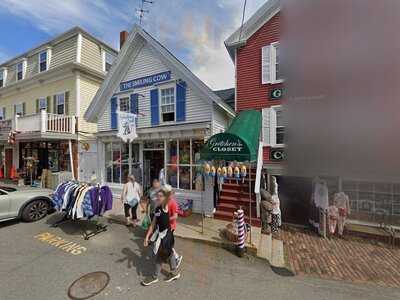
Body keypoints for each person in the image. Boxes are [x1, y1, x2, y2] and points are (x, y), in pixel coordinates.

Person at [142, 187, 181, 286]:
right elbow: (153, 224)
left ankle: (155, 277)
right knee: (167, 254)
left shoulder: (165, 206)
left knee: (160, 255)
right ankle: (174, 272)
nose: (158, 198)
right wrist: (147, 237)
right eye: (157, 196)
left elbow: (168, 198)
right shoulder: (157, 209)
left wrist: (166, 190)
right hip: (160, 234)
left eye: (161, 196)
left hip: (166, 235)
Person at [164, 185, 183, 268]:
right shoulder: (165, 201)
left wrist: (165, 219)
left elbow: (175, 216)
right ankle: (170, 257)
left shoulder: (173, 203)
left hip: (170, 226)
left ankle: (176, 257)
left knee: (167, 244)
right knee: (165, 243)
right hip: (165, 226)